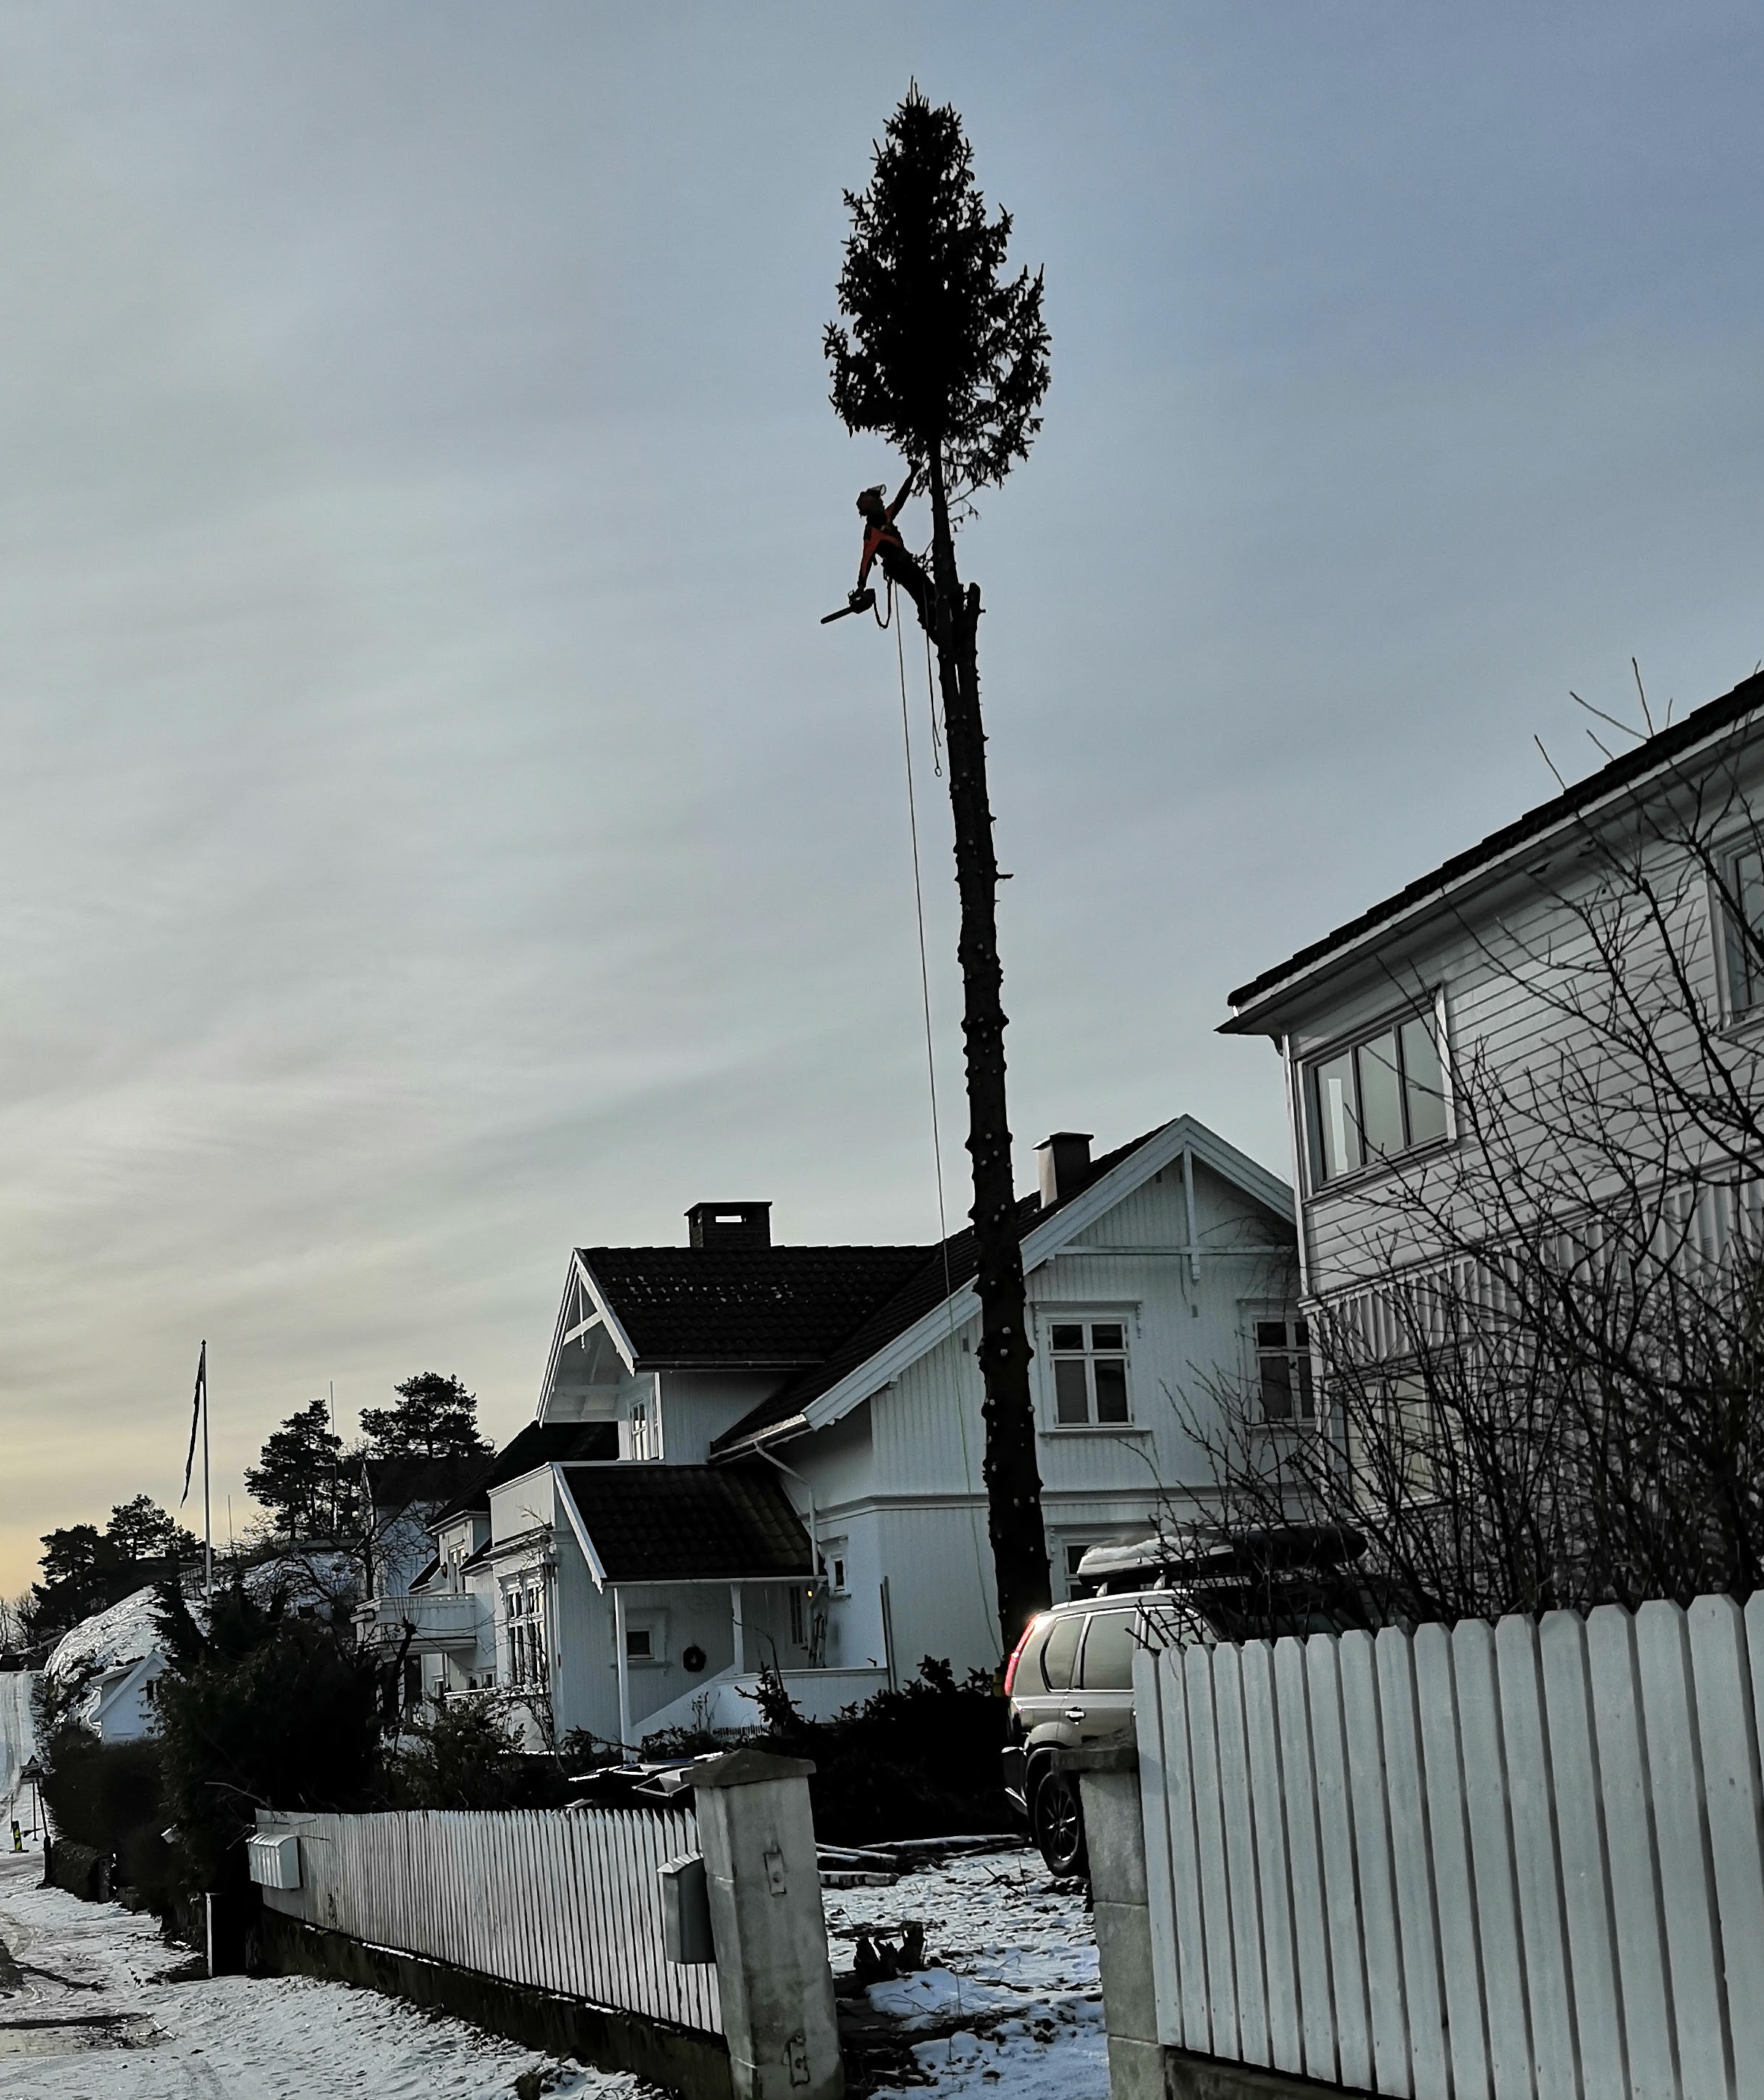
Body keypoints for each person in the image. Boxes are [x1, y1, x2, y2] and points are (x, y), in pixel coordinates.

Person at [851, 474, 932, 623]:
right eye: (879, 500)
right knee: (928, 593)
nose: (882, 502)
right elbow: (866, 560)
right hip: (900, 567)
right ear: (873, 504)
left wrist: (912, 475)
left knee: (926, 596)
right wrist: (861, 586)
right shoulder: (872, 531)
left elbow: (900, 499)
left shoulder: (886, 518)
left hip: (904, 564)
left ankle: (931, 618)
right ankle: (933, 619)